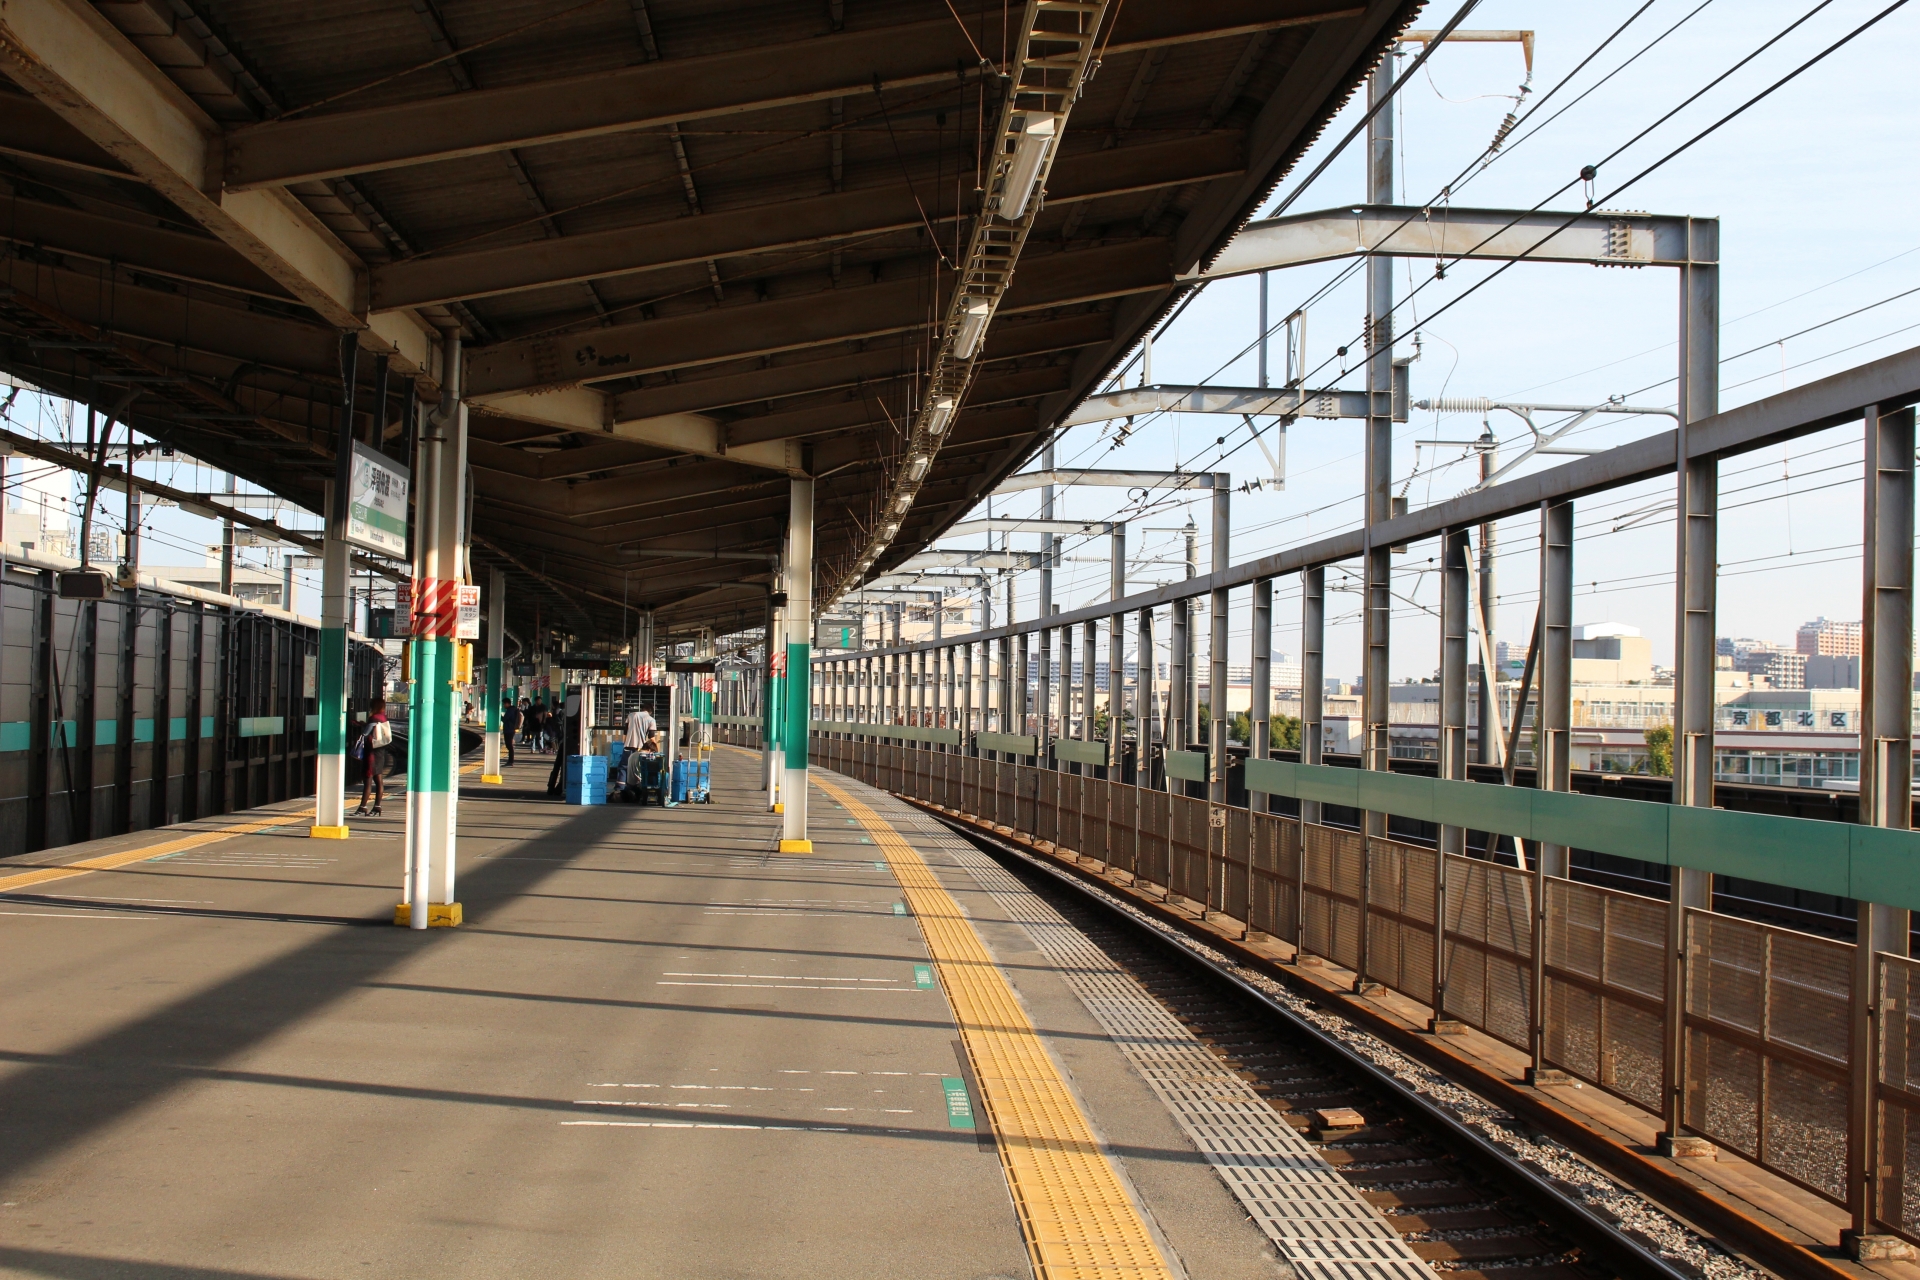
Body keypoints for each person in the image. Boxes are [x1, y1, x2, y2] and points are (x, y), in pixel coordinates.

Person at [353, 697, 394, 817]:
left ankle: (363, 807)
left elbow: (366, 733)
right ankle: (377, 806)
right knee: (379, 779)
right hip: (380, 752)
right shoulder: (383, 717)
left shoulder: (373, 717)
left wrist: (360, 725)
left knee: (368, 780)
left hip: (371, 752)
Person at [547, 687, 583, 796]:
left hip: (564, 741)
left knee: (558, 765)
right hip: (567, 742)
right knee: (564, 765)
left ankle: (553, 787)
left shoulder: (563, 714)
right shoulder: (568, 714)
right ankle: (559, 786)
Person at [501, 697, 521, 766]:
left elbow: (505, 719)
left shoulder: (510, 710)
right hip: (511, 729)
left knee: (509, 746)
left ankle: (510, 761)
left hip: (509, 730)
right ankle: (510, 761)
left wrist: (500, 717)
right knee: (509, 746)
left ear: (507, 703)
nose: (504, 705)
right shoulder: (513, 709)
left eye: (504, 704)